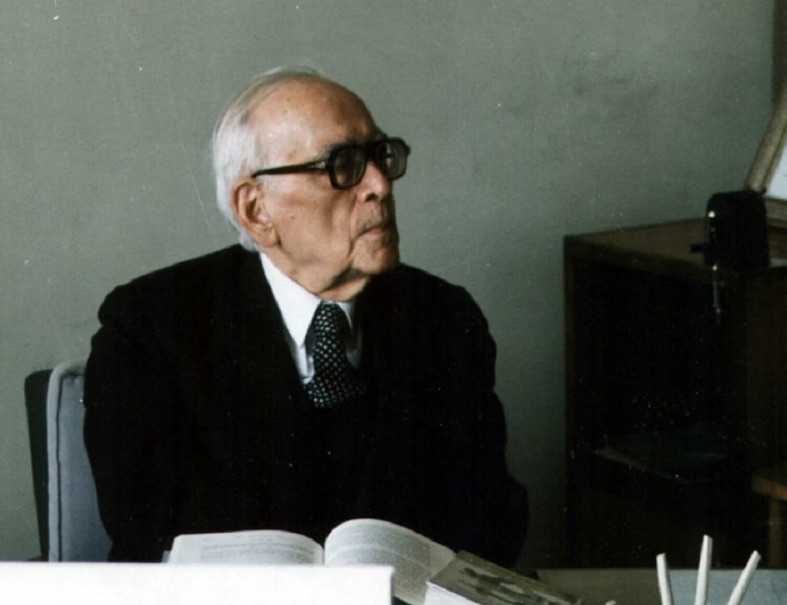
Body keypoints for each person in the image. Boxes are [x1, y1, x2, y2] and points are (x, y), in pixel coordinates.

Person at [83, 67, 528, 566]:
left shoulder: (444, 318)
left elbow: (490, 522)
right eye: (343, 165)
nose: (380, 185)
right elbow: (146, 543)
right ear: (256, 210)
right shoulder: (150, 328)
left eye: (380, 156)